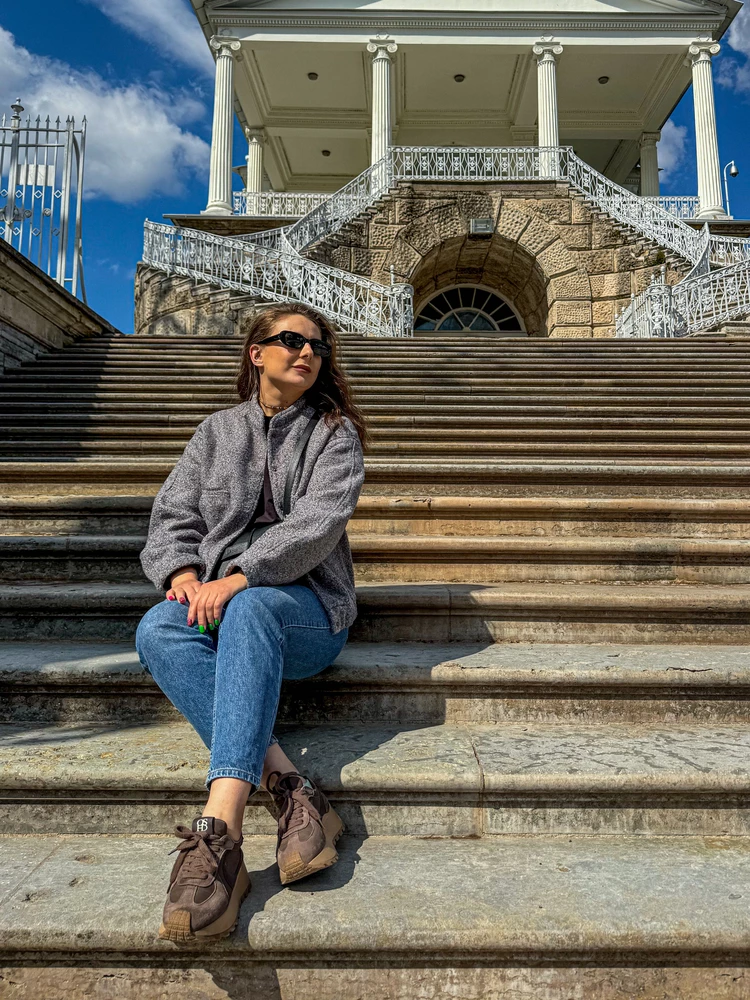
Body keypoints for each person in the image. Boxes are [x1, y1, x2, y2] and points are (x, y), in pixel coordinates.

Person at [135, 301, 367, 943]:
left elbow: (318, 525)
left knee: (253, 606)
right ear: (256, 353)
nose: (308, 353)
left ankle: (222, 831)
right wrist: (183, 576)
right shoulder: (215, 432)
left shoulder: (334, 432)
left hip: (308, 613)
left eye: (318, 346)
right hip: (216, 599)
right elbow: (172, 514)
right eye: (291, 340)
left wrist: (238, 579)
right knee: (156, 628)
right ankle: (290, 786)